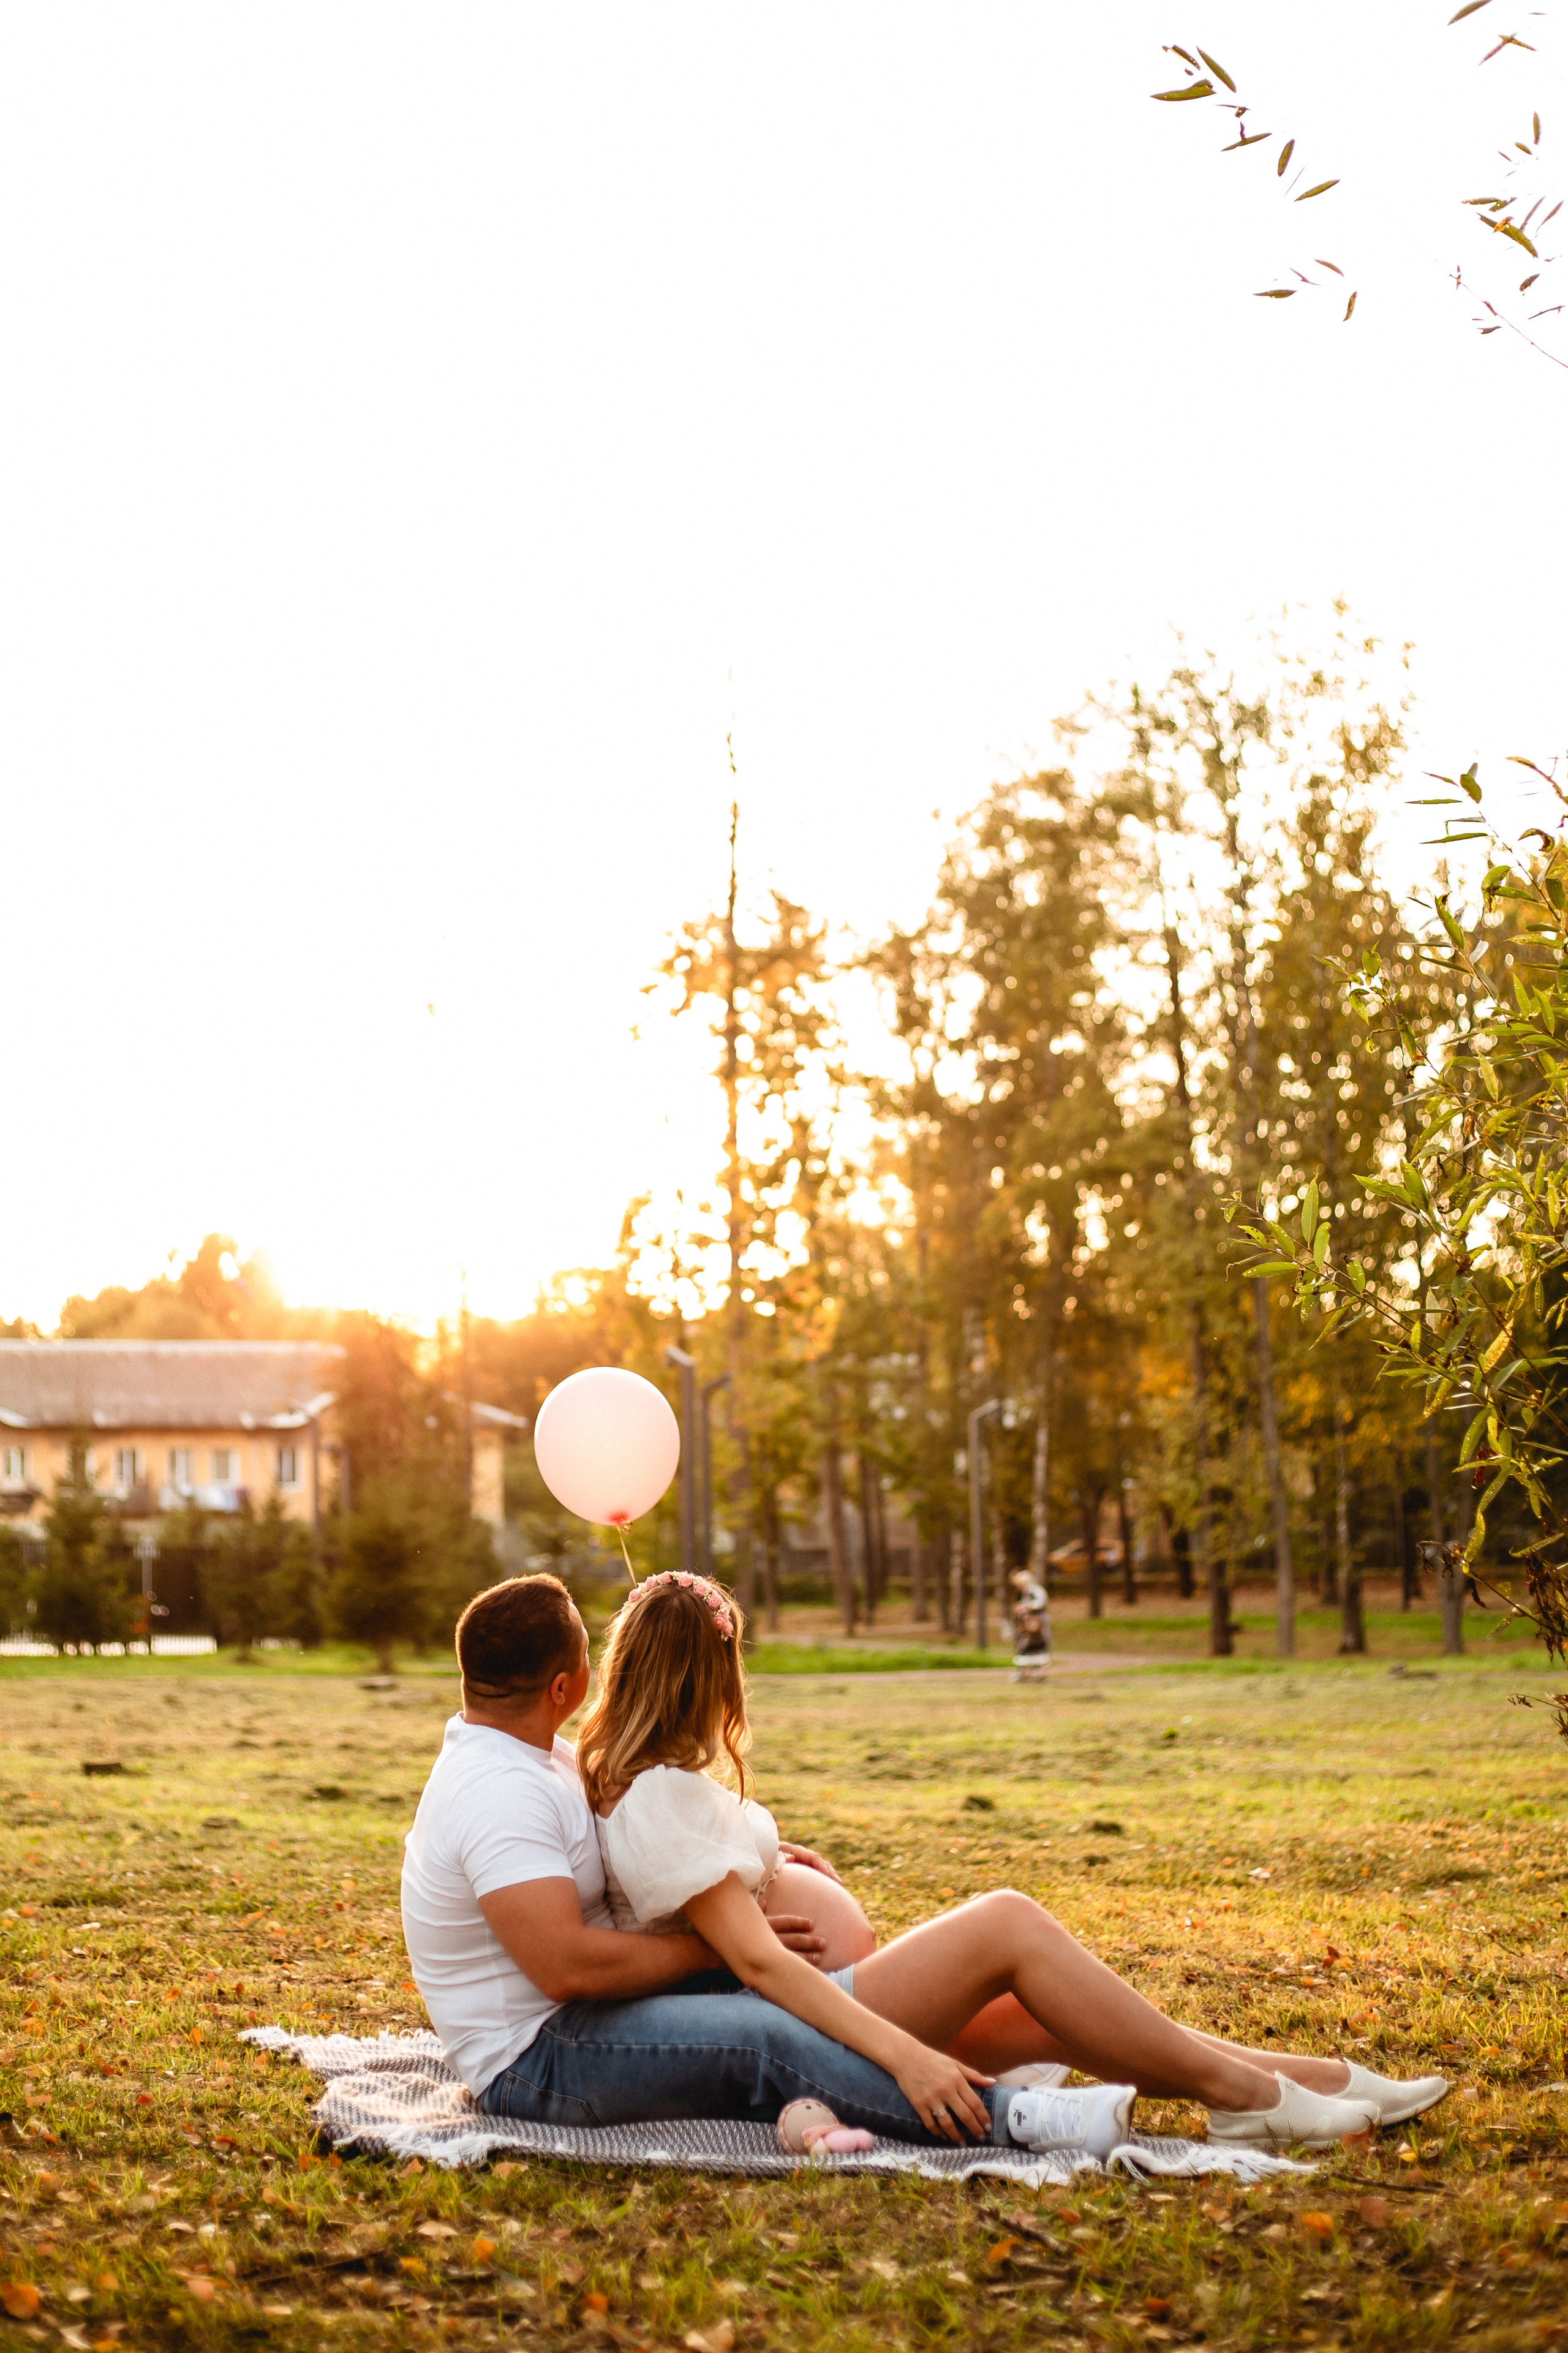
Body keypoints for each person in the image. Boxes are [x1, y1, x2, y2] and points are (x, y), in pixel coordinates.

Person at [400, 1574, 1442, 2158]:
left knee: (1040, 2014)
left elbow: (653, 1874)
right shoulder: (545, 1783)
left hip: (777, 1983)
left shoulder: (566, 1761)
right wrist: (890, 2045)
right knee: (1008, 1921)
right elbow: (700, 1956)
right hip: (776, 2008)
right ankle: (1247, 2090)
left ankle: (1293, 2080)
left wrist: (757, 1864)